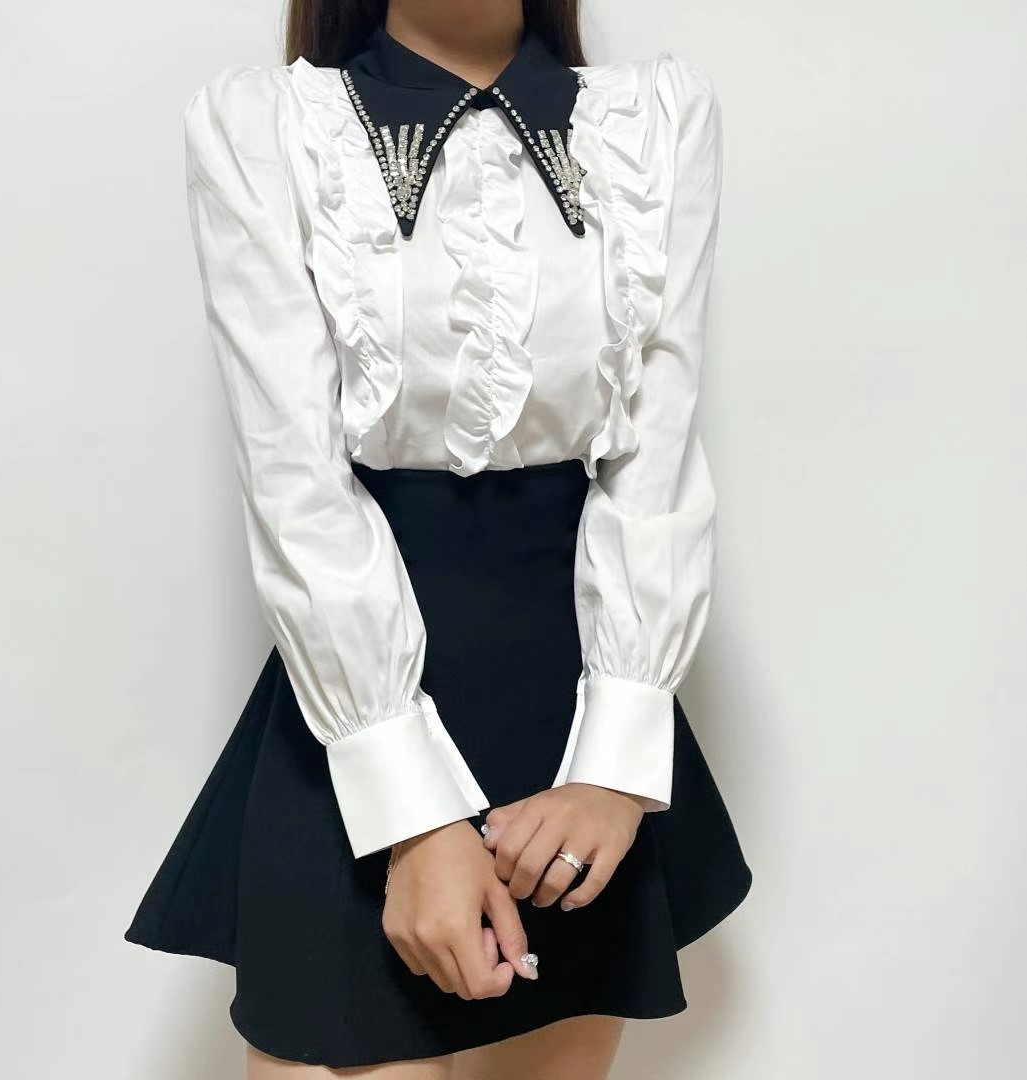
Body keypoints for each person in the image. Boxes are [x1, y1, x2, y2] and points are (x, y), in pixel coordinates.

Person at [125, 1, 753, 1076]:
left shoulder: (651, 120)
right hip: (354, 706)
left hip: (576, 711)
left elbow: (656, 452)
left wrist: (612, 766)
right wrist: (411, 816)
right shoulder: (267, 126)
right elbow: (292, 479)